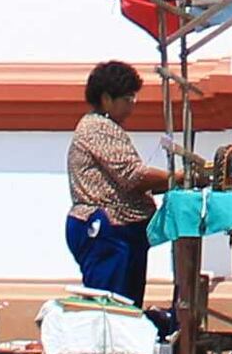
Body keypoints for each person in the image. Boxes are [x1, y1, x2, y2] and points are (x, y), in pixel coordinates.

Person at [64, 62, 168, 303]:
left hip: (126, 232)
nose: (133, 105)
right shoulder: (97, 128)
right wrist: (178, 178)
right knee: (110, 308)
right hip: (106, 230)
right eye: (128, 98)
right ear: (107, 98)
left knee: (127, 308)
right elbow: (132, 176)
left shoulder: (110, 128)